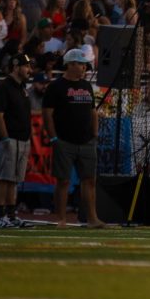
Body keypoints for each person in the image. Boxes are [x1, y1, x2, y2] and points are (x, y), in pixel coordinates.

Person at [42, 48, 105, 228]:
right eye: (80, 64)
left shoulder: (86, 86)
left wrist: (94, 133)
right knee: (63, 180)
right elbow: (47, 114)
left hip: (86, 141)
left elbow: (93, 111)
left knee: (89, 180)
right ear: (70, 64)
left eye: (84, 65)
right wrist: (54, 138)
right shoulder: (55, 87)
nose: (84, 68)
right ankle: (60, 218)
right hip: (64, 140)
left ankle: (92, 218)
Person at [0, 53, 34, 228]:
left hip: (22, 139)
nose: (29, 70)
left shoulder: (21, 88)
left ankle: (11, 215)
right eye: (26, 66)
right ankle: (0, 216)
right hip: (9, 140)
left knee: (13, 179)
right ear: (16, 67)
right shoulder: (3, 88)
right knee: (4, 178)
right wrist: (5, 137)